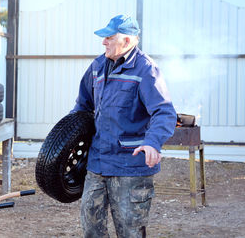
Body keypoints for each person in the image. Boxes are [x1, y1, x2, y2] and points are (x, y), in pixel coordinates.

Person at [72, 14, 177, 237]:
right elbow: (82, 108)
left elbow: (164, 112)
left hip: (130, 166)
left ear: (127, 41)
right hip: (97, 162)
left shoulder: (145, 70)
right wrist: (67, 141)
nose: (103, 42)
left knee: (130, 230)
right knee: (91, 226)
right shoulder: (97, 66)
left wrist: (153, 143)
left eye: (109, 38)